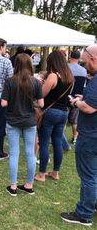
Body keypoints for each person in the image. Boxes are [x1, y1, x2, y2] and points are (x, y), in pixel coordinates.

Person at [61, 45, 97, 226]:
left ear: (93, 59)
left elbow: (90, 108)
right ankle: (92, 204)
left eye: (85, 62)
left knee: (88, 176)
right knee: (94, 174)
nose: (84, 66)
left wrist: (77, 103)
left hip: (91, 135)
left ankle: (84, 214)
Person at [1, 54, 44, 196]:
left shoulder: (10, 81)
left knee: (14, 153)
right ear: (30, 64)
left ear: (16, 64)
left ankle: (13, 187)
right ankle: (29, 185)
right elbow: (41, 104)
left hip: (13, 121)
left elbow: (3, 103)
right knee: (30, 153)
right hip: (30, 121)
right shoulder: (36, 82)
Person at [35, 50, 74, 182]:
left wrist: (41, 84)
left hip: (50, 112)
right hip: (64, 113)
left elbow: (42, 94)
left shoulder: (53, 76)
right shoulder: (70, 76)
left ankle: (41, 174)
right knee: (57, 142)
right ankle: (55, 172)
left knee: (44, 142)